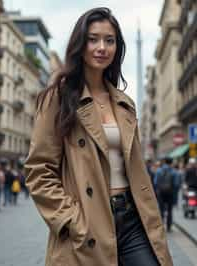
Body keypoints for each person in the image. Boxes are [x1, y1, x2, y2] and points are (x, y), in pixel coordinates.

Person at [25, 8, 173, 266]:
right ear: (80, 44)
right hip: (89, 222)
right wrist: (72, 220)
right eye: (93, 39)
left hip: (133, 219)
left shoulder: (124, 103)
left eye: (109, 40)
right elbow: (39, 170)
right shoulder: (57, 98)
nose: (101, 47)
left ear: (117, 46)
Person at [155, 157, 176, 232]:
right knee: (170, 210)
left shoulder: (159, 171)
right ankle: (169, 227)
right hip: (170, 193)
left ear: (165, 162)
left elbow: (155, 182)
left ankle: (161, 227)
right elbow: (176, 184)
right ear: (171, 162)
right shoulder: (173, 172)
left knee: (161, 210)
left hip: (161, 193)